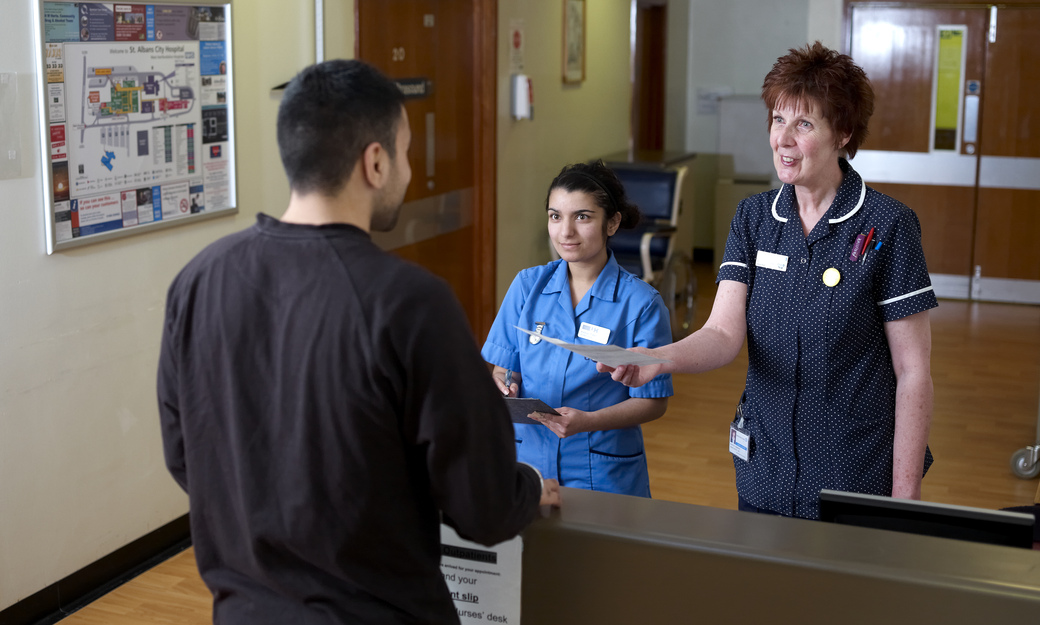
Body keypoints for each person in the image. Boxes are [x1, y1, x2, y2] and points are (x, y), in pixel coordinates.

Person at [157, 59, 560, 625]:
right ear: (375, 161)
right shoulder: (411, 302)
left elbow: (186, 457)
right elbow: (483, 507)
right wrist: (531, 486)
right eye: (406, 152)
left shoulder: (198, 280)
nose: (410, 171)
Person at [600, 42, 936, 520]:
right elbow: (722, 333)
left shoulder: (888, 225)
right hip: (767, 465)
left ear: (842, 133)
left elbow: (913, 372)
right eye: (778, 120)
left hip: (855, 470)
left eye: (804, 124)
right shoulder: (754, 219)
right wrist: (658, 358)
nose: (783, 138)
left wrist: (906, 499)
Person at [482, 161, 673, 498]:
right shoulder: (527, 286)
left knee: (600, 551)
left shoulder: (641, 303)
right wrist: (505, 383)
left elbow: (654, 402)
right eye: (556, 216)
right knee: (531, 550)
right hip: (527, 460)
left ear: (611, 222)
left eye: (582, 217)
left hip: (599, 467)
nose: (565, 232)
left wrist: (589, 421)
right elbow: (505, 367)